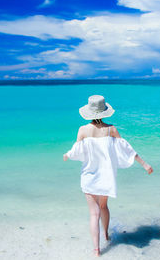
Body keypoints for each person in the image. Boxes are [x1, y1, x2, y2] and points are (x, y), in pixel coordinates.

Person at [63, 95, 153, 257]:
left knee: (93, 213)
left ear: (88, 112)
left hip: (89, 177)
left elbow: (77, 151)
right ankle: (106, 235)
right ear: (104, 111)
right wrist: (144, 164)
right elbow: (127, 149)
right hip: (106, 178)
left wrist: (67, 155)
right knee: (103, 207)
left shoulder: (83, 130)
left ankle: (97, 250)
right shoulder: (111, 129)